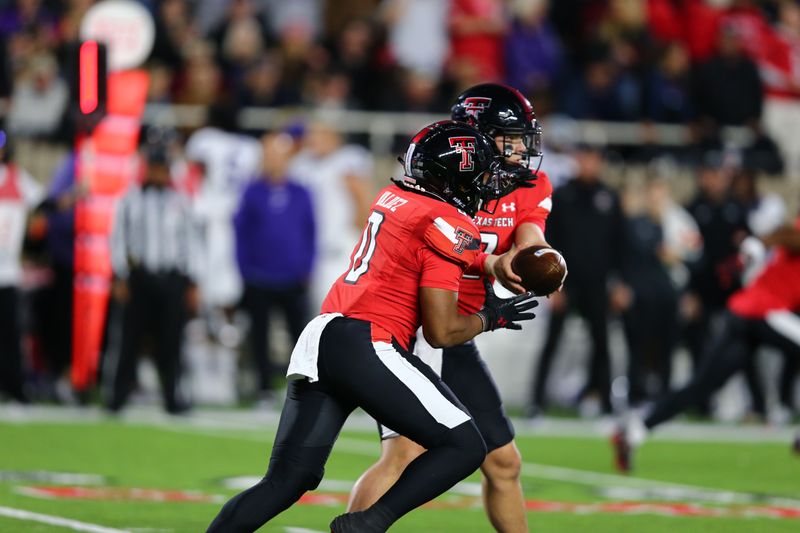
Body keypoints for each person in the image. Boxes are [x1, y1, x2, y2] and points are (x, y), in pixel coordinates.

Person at [205, 120, 540, 533]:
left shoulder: (394, 195)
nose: (487, 184)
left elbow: (425, 240)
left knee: (287, 480)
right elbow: (441, 331)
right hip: (369, 343)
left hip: (322, 336)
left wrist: (488, 262)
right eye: (482, 173)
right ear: (458, 174)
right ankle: (369, 523)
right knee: (465, 444)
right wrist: (491, 317)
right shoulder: (452, 225)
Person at [346, 83, 553, 533]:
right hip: (414, 329)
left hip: (456, 334)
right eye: (508, 136)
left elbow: (530, 239)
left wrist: (542, 264)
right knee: (403, 454)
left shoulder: (528, 185)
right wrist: (493, 263)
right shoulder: (444, 175)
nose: (520, 148)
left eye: (522, 137)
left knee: (502, 462)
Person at [612, 213, 800, 472]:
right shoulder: (790, 233)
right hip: (763, 309)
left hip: (746, 313)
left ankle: (634, 430)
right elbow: (787, 234)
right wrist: (759, 243)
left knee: (703, 384)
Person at [529, 143, 627, 417]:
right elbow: (549, 242)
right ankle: (536, 402)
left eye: (593, 158)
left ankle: (607, 404)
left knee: (602, 343)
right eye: (584, 158)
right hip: (565, 283)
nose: (588, 164)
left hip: (598, 284)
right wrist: (551, 285)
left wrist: (618, 283)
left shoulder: (609, 197)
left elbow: (619, 245)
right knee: (553, 342)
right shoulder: (562, 196)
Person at [106, 143, 198, 414]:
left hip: (171, 278)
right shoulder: (129, 199)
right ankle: (117, 397)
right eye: (154, 169)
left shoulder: (180, 201)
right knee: (128, 339)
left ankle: (172, 398)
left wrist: (192, 280)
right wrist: (120, 275)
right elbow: (118, 239)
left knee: (171, 340)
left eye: (162, 169)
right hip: (140, 278)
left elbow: (190, 242)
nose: (158, 174)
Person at [234, 131, 315, 403]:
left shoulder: (301, 191)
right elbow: (241, 233)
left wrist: (306, 266)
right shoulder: (252, 191)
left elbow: (310, 232)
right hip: (259, 276)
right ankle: (263, 389)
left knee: (300, 337)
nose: (273, 160)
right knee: (260, 336)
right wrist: (245, 270)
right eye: (268, 155)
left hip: (292, 277)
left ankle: (303, 391)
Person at [0, 134, 43, 403]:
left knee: (10, 334)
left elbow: (42, 206)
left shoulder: (16, 178)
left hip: (8, 272)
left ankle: (15, 386)